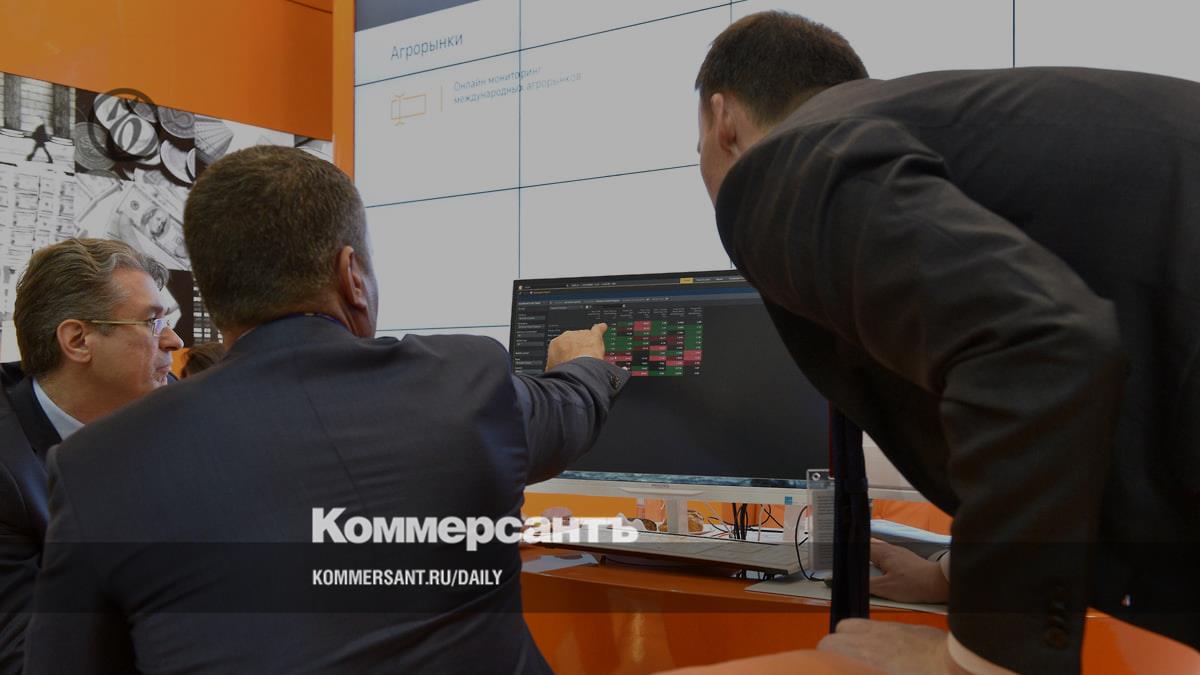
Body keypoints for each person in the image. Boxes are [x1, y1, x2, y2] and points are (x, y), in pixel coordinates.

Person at [694, 11, 1199, 674]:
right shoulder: (912, 133)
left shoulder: (786, 165)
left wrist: (978, 661)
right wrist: (950, 575)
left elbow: (1041, 344)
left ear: (724, 121)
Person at [24, 146, 628, 673]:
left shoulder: (95, 465)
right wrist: (586, 362)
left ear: (214, 291)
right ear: (352, 276)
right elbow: (570, 408)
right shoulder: (464, 382)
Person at [0, 238, 182, 672]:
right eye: (153, 322)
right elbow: (29, 657)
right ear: (78, 340)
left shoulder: (176, 404)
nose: (174, 341)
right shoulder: (7, 473)